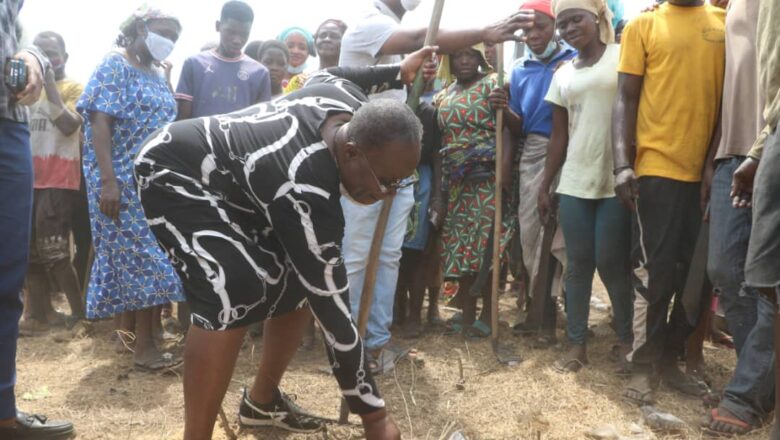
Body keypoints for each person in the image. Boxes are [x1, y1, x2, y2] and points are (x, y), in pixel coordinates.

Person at [135, 47, 437, 440]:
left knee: (296, 283)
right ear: (350, 152)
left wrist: (400, 69)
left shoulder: (345, 101)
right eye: (385, 181)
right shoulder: (306, 187)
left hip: (240, 184)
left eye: (399, 183)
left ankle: (261, 404)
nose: (388, 194)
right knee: (231, 291)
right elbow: (334, 307)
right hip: (174, 168)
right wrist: (374, 416)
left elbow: (338, 73)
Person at [339, 0, 534, 371]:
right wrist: (485, 33)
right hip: (365, 159)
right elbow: (416, 37)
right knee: (359, 253)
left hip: (395, 163)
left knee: (388, 256)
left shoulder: (399, 34)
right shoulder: (369, 21)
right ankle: (348, 345)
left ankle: (376, 342)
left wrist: (413, 72)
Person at [612, 0, 725, 405]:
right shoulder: (645, 25)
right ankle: (642, 364)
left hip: (708, 175)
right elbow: (625, 97)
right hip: (656, 168)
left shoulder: (723, 24)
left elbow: (727, 104)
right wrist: (622, 165)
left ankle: (670, 356)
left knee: (698, 275)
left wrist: (713, 162)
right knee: (653, 272)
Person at [77, 5, 185, 370]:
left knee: (150, 259)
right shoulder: (114, 65)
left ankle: (149, 338)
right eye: (162, 30)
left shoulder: (156, 73)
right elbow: (99, 122)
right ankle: (144, 351)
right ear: (139, 27)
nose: (167, 40)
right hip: (119, 182)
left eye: (174, 35)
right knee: (148, 264)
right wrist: (108, 182)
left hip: (153, 183)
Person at [536, 0, 632, 372]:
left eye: (576, 19)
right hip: (575, 180)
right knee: (577, 265)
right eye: (562, 24)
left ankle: (626, 339)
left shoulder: (622, 57)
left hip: (615, 178)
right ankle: (576, 345)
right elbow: (558, 136)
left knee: (611, 262)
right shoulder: (561, 73)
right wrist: (546, 185)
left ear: (597, 18)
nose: (568, 28)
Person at [0, 2, 75, 438]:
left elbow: (19, 39)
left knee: (7, 279)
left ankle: (3, 412)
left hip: (9, 126)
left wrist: (32, 58)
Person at [488, 0, 574, 346]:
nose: (533, 35)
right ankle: (537, 307)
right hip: (534, 151)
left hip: (572, 150)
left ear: (554, 25)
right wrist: (503, 108)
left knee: (559, 234)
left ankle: (548, 315)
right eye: (526, 30)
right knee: (530, 233)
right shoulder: (520, 69)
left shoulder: (571, 60)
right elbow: (519, 126)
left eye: (541, 26)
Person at [722, 0, 780, 438]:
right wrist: (761, 149)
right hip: (761, 137)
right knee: (749, 275)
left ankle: (746, 393)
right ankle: (756, 384)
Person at [434, 45, 516, 337]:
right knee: (460, 248)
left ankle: (488, 316)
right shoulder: (443, 93)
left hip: (486, 179)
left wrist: (504, 170)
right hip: (455, 183)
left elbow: (511, 129)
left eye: (471, 54)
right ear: (450, 60)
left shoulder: (494, 84)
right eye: (459, 55)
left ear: (481, 58)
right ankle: (466, 314)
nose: (465, 59)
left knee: (487, 248)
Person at [20, 31, 85, 334]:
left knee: (56, 251)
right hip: (27, 179)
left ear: (65, 57)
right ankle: (41, 315)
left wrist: (48, 83)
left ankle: (78, 313)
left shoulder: (73, 87)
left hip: (57, 181)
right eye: (41, 53)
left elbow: (70, 125)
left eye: (53, 53)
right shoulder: (26, 89)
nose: (48, 58)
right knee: (30, 251)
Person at [175, 1, 270, 120]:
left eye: (244, 34)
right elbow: (182, 119)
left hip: (238, 139)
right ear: (218, 26)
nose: (237, 40)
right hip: (199, 138)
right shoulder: (194, 64)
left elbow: (260, 123)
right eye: (231, 32)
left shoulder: (260, 73)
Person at [284, 19, 349, 94]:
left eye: (334, 36)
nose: (327, 39)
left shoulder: (350, 80)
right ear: (315, 42)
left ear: (345, 42)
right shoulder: (299, 81)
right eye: (322, 35)